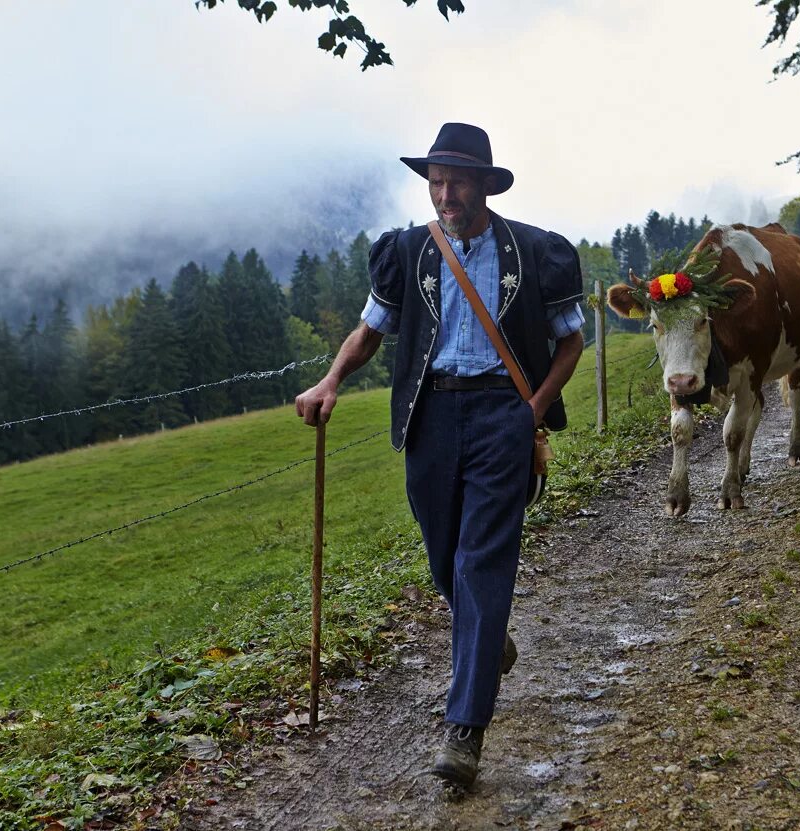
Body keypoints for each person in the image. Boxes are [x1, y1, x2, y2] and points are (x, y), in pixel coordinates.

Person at [294, 122, 585, 786]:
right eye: (435, 182)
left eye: (455, 182)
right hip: (429, 416)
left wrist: (529, 413)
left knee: (481, 563)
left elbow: (570, 342)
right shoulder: (407, 252)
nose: (444, 194)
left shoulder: (534, 252)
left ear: (484, 183)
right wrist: (331, 379)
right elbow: (373, 327)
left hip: (501, 416)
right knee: (442, 558)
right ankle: (486, 639)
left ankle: (464, 726)